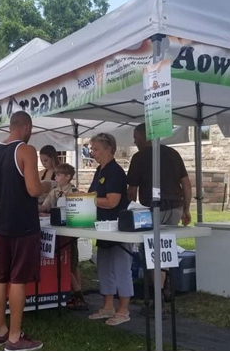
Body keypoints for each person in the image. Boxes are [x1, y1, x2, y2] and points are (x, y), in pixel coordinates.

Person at [0, 111, 51, 351]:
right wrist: (49, 184)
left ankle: (0, 330)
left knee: (0, 276)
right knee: (18, 279)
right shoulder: (26, 150)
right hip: (23, 224)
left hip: (0, 222)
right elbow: (34, 189)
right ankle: (15, 338)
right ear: (27, 127)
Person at [127, 123, 192, 313]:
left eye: (136, 137)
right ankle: (166, 285)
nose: (134, 141)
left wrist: (130, 210)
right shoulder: (173, 153)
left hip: (152, 209)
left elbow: (132, 190)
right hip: (175, 207)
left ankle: (158, 300)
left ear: (145, 137)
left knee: (151, 254)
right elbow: (186, 185)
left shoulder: (139, 157)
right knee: (165, 249)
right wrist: (186, 209)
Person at [87, 133, 131, 326]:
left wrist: (89, 200)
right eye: (91, 149)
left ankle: (124, 309)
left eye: (95, 149)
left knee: (121, 267)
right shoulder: (99, 170)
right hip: (102, 226)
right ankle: (107, 306)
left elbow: (112, 201)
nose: (92, 152)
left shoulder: (115, 172)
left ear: (108, 149)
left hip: (118, 227)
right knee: (104, 266)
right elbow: (91, 194)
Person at [38, 163, 87, 310]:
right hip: (56, 230)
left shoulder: (73, 192)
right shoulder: (54, 191)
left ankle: (78, 293)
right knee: (64, 263)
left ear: (68, 177)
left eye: (59, 175)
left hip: (69, 231)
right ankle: (75, 292)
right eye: (56, 175)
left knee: (72, 263)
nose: (56, 177)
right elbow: (45, 206)